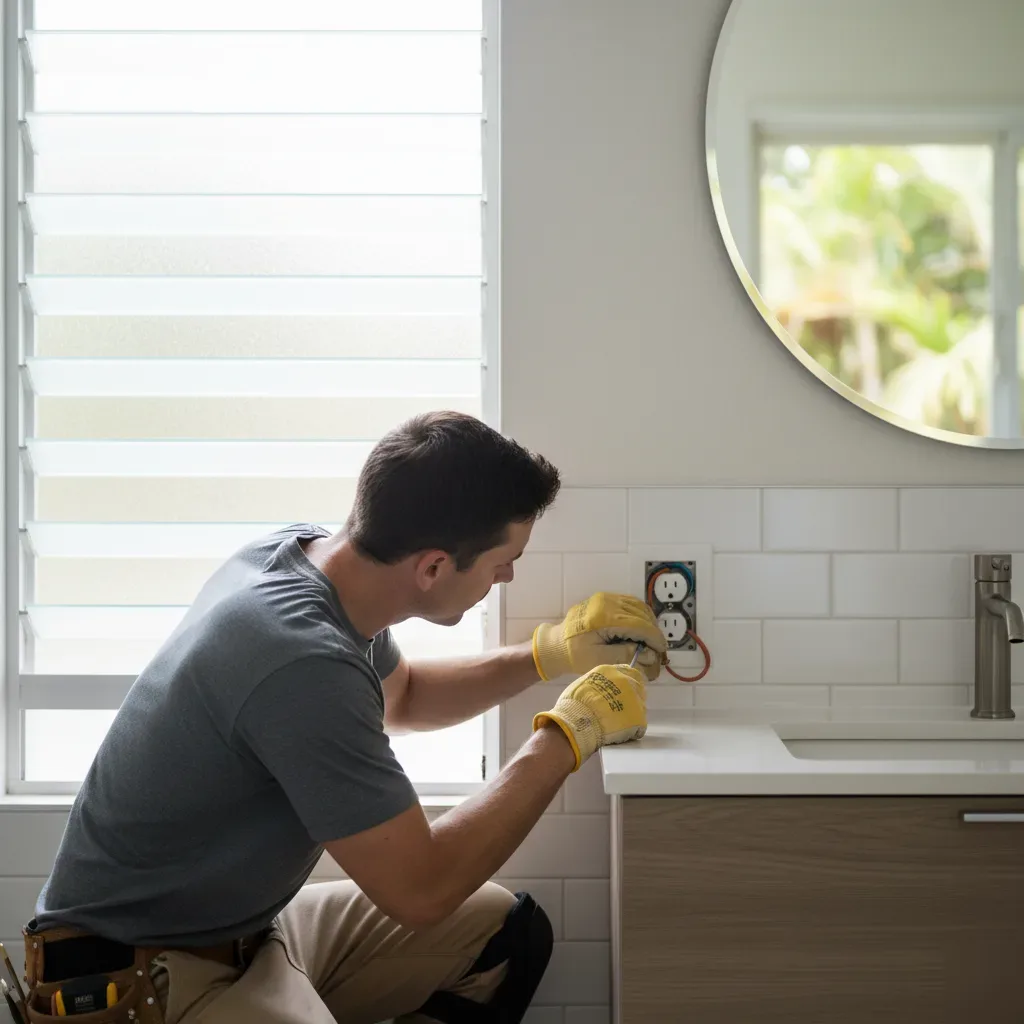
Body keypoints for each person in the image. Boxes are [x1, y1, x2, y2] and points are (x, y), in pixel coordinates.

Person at [24, 412, 667, 1024]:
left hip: (243, 934)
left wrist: (544, 654)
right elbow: (422, 890)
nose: (506, 576)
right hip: (140, 977)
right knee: (440, 900)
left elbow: (405, 696)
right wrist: (566, 736)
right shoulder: (300, 661)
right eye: (505, 561)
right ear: (434, 567)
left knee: (504, 933)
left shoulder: (304, 562)